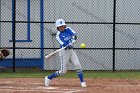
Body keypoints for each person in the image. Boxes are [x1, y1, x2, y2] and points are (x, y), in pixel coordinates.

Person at [45, 19, 87, 87]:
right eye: (60, 26)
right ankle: (48, 78)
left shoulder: (68, 29)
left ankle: (82, 82)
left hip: (71, 51)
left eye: (62, 26)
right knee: (63, 71)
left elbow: (74, 34)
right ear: (57, 27)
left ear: (64, 26)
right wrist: (69, 44)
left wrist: (74, 39)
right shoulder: (58, 35)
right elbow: (64, 44)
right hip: (64, 52)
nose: (61, 28)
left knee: (77, 65)